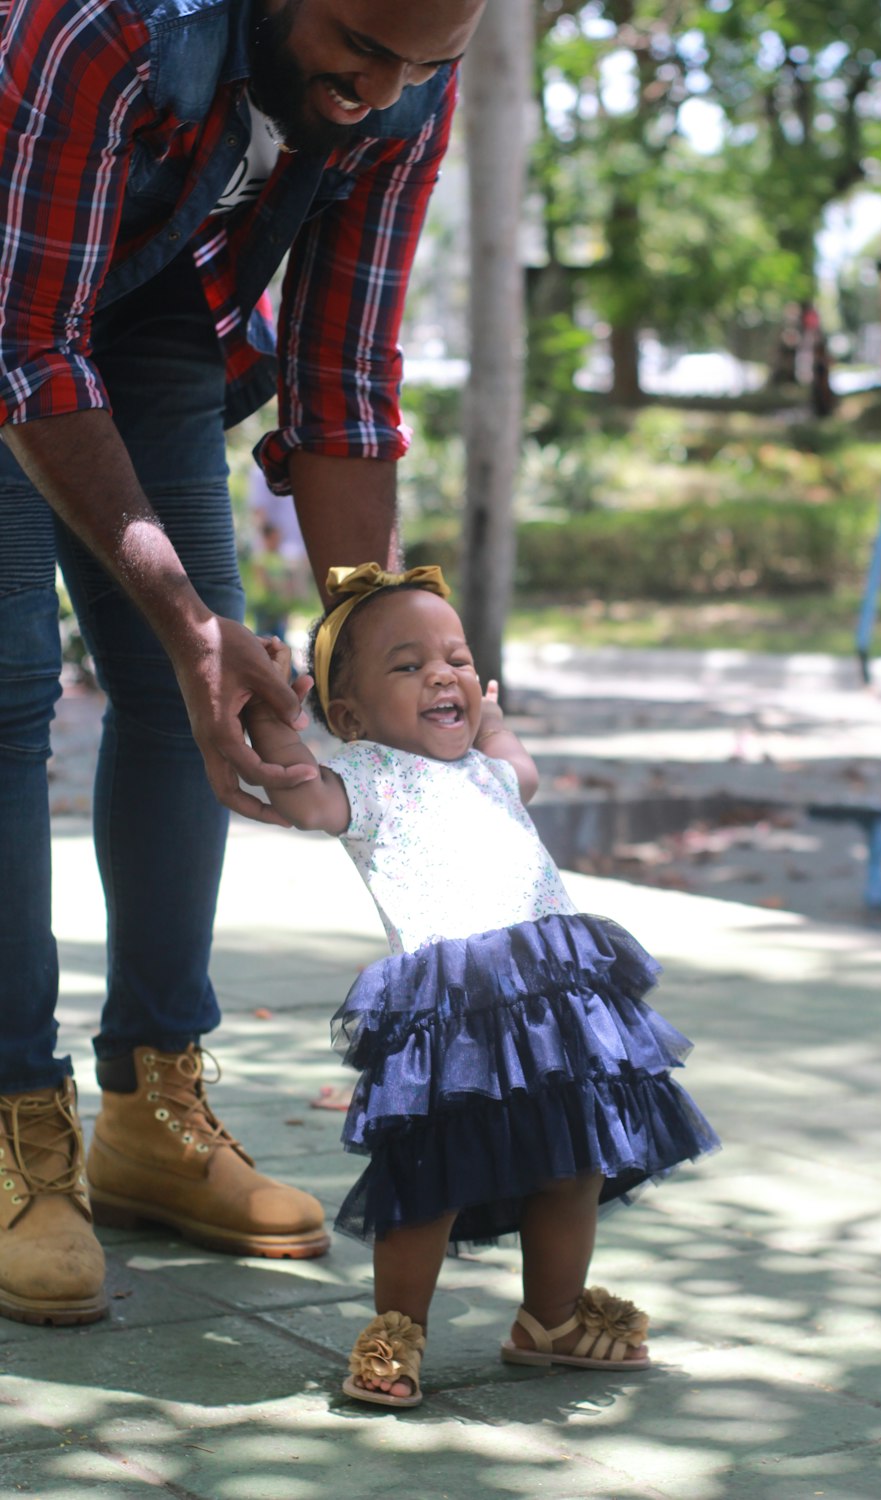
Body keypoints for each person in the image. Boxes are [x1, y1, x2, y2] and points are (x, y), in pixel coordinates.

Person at [0, 0, 485, 1327]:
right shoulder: (104, 29)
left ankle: (152, 1110)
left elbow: (341, 373)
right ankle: (10, 1125)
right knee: (11, 690)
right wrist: (190, 619)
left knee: (185, 691)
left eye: (418, 66)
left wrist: (376, 649)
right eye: (359, 45)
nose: (378, 89)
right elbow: (27, 347)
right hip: (12, 294)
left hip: (146, 300)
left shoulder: (406, 83)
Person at [242, 563, 720, 1409]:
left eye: (457, 658)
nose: (443, 674)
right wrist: (271, 714)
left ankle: (552, 1317)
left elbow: (522, 771)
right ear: (348, 715)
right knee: (431, 1176)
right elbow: (306, 801)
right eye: (407, 664)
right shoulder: (369, 775)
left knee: (574, 1163)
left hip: (556, 1000)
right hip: (451, 1012)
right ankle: (399, 1327)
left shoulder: (491, 772)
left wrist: (495, 723)